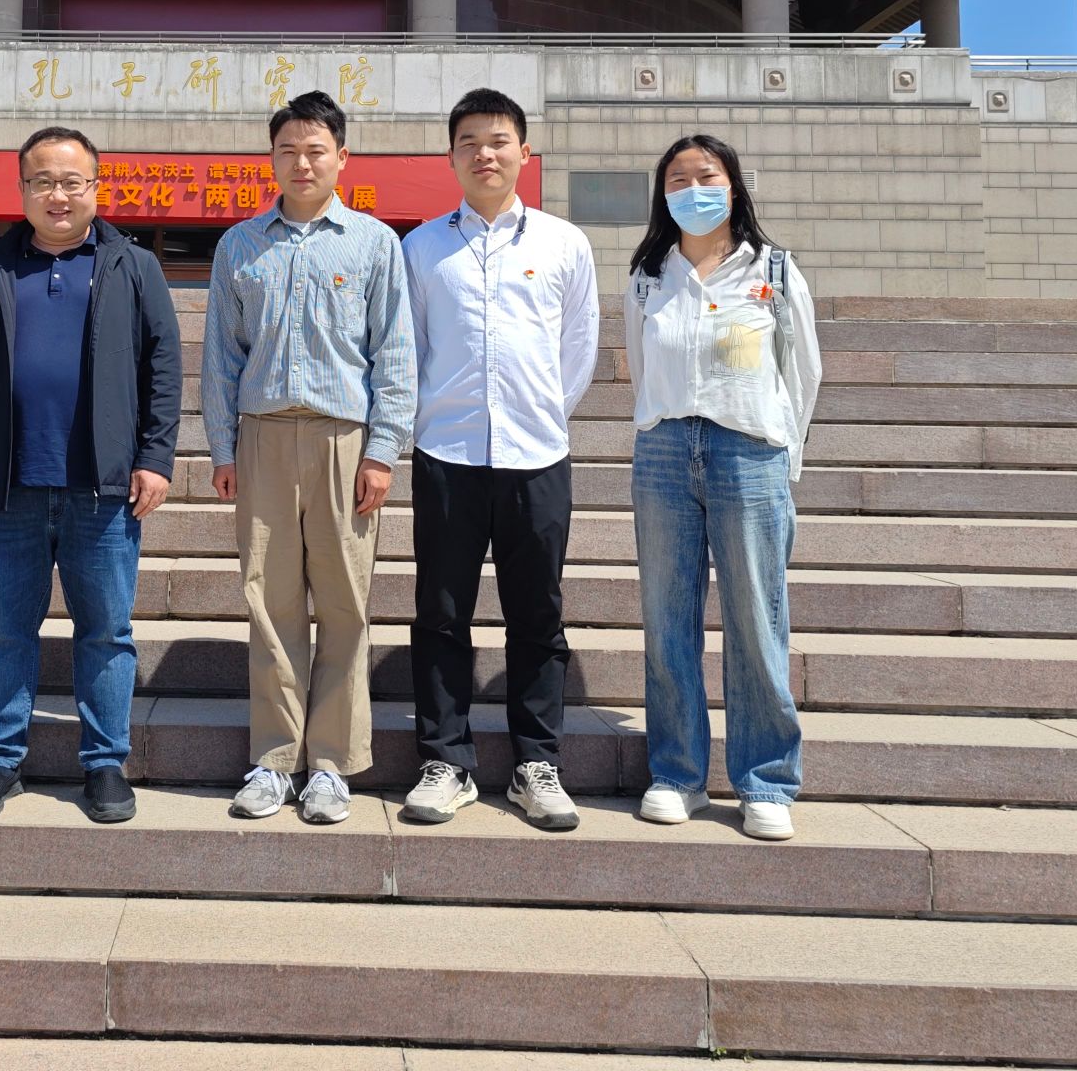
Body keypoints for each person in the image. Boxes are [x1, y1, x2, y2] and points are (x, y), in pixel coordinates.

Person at [0, 126, 181, 824]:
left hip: (102, 488)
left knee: (105, 631)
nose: (58, 195)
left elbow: (163, 366)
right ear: (22, 190)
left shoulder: (133, 265)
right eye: (43, 181)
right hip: (9, 485)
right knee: (4, 630)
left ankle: (105, 764)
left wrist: (154, 458)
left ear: (95, 188)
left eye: (73, 181)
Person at [204, 90, 415, 825]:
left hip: (342, 442)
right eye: (288, 149)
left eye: (316, 150)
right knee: (270, 601)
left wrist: (382, 451)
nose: (302, 162)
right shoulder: (240, 246)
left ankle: (330, 764)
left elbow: (395, 353)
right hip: (262, 436)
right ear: (271, 158)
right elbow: (221, 358)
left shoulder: (374, 243)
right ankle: (273, 761)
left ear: (342, 158)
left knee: (345, 603)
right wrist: (223, 446)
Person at [399, 88, 598, 832]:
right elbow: (411, 349)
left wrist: (538, 413)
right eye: (470, 142)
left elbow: (578, 347)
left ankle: (535, 764)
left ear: (523, 152)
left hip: (536, 456)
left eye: (499, 140)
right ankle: (445, 762)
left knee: (538, 614)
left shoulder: (563, 244)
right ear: (450, 156)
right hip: (446, 453)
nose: (485, 153)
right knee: (441, 613)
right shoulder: (422, 248)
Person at [624, 133, 821, 841]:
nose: (693, 189)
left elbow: (803, 370)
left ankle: (765, 780)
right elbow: (641, 364)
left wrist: (782, 452)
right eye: (678, 179)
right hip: (665, 450)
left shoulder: (773, 269)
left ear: (734, 187)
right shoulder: (648, 275)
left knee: (755, 619)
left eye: (706, 176)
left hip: (749, 450)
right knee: (666, 618)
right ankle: (677, 774)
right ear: (663, 194)